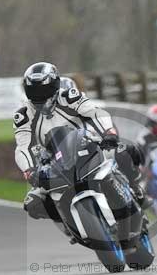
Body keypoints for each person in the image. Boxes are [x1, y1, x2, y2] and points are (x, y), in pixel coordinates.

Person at [14, 62, 146, 222]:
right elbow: (23, 147)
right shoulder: (23, 117)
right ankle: (70, 225)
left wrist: (108, 133)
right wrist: (29, 170)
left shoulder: (69, 97)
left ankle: (135, 189)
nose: (40, 95)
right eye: (34, 91)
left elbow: (95, 112)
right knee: (33, 203)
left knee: (124, 151)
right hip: (53, 161)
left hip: (86, 144)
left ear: (55, 85)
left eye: (44, 90)